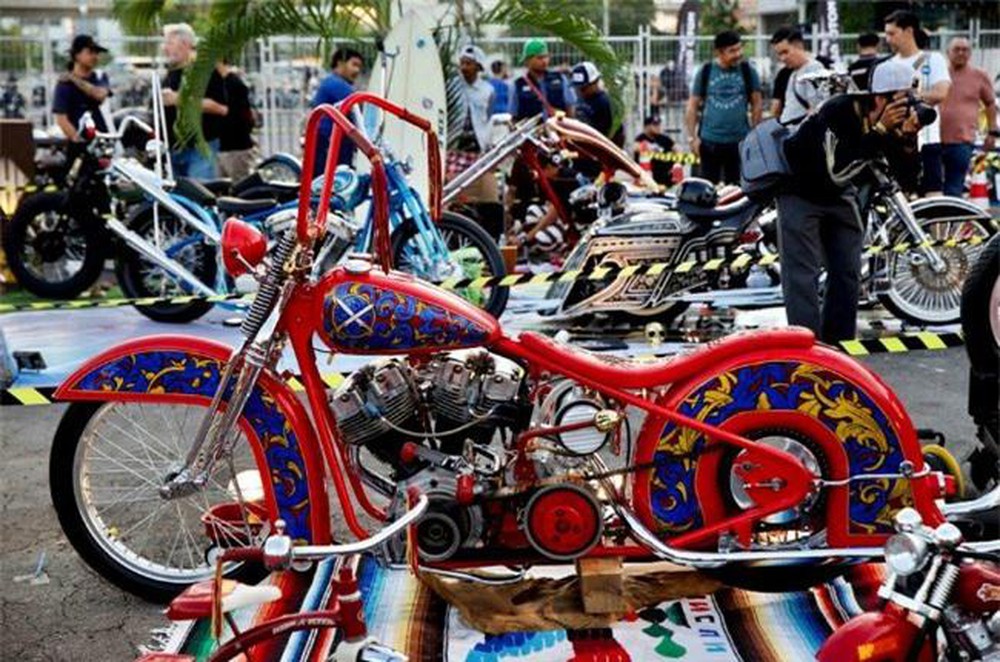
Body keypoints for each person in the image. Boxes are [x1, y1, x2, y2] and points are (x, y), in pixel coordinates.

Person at [778, 59, 925, 343]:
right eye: (903, 99)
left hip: (839, 193)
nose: (908, 107)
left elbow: (909, 181)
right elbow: (836, 171)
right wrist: (880, 132)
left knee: (847, 270)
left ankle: (839, 343)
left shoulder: (889, 122)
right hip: (799, 189)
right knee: (803, 274)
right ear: (880, 98)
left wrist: (908, 139)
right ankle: (806, 346)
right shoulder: (837, 111)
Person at [885, 9, 951, 197]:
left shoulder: (932, 60)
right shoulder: (887, 65)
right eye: (886, 34)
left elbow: (941, 92)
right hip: (897, 142)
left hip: (927, 140)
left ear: (908, 31)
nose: (888, 39)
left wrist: (909, 97)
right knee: (901, 197)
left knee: (933, 197)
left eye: (892, 34)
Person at [684, 30, 762, 184]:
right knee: (708, 188)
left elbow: (757, 104)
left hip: (739, 142)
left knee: (737, 188)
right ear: (719, 52)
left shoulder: (748, 71)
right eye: (732, 51)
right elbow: (692, 106)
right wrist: (692, 138)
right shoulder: (706, 71)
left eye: (739, 48)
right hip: (709, 142)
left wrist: (754, 135)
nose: (738, 54)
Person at [446, 45, 502, 239]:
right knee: (454, 199)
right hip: (455, 150)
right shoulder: (452, 87)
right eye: (462, 63)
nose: (464, 67)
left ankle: (490, 238)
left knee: (489, 199)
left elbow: (489, 118)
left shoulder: (488, 90)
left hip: (478, 151)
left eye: (469, 64)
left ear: (478, 66)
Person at [161, 23, 229, 179]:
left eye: (170, 43)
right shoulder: (171, 74)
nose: (165, 48)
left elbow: (221, 108)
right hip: (173, 148)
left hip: (200, 148)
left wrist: (180, 99)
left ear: (185, 44)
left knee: (199, 190)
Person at [940, 38, 997, 197]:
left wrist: (992, 132)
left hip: (962, 141)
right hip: (934, 141)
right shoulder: (939, 74)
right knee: (933, 189)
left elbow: (990, 103)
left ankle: (952, 213)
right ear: (948, 52)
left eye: (965, 50)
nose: (961, 53)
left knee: (953, 188)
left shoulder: (979, 76)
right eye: (957, 49)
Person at [311, 47, 364, 178]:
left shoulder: (332, 82)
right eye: (354, 65)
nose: (357, 70)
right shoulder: (335, 84)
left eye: (359, 67)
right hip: (330, 143)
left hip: (334, 142)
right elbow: (359, 103)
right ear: (340, 63)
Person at [52, 35, 111, 141]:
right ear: (77, 55)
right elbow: (61, 119)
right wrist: (77, 139)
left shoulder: (100, 76)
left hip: (102, 139)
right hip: (79, 142)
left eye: (97, 53)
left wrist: (73, 78)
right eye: (90, 52)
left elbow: (99, 95)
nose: (95, 57)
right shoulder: (64, 84)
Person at [770, 27, 827, 124]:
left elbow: (815, 108)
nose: (782, 58)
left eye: (785, 52)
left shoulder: (813, 69)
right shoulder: (794, 72)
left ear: (799, 45)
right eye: (779, 54)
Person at [509, 39, 575, 122]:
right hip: (531, 129)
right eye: (539, 58)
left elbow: (570, 108)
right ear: (528, 60)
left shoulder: (560, 79)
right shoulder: (518, 85)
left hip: (557, 128)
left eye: (546, 57)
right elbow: (514, 116)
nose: (544, 61)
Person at [215, 59, 257, 182]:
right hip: (223, 147)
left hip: (236, 147)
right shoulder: (220, 83)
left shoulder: (234, 84)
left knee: (239, 185)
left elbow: (240, 116)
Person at [570, 61, 621, 145]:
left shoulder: (605, 102)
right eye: (578, 88)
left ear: (595, 82)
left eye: (583, 88)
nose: (580, 91)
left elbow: (615, 133)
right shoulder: (581, 97)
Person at [633, 114, 676, 185]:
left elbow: (676, 150)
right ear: (647, 126)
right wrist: (651, 148)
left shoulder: (664, 139)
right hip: (647, 177)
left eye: (659, 124)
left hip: (665, 177)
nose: (658, 127)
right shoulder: (641, 138)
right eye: (655, 125)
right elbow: (636, 148)